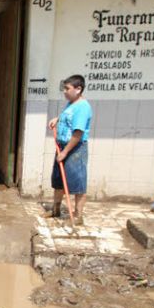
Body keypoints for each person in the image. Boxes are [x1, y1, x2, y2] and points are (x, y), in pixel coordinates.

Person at [46, 75, 93, 225]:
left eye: (67, 88)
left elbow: (78, 134)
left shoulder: (83, 107)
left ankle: (78, 217)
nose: (64, 92)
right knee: (58, 181)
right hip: (61, 146)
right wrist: (57, 118)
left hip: (75, 149)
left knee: (77, 183)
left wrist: (65, 152)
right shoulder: (72, 103)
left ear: (78, 89)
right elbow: (68, 115)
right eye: (64, 88)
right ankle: (56, 210)